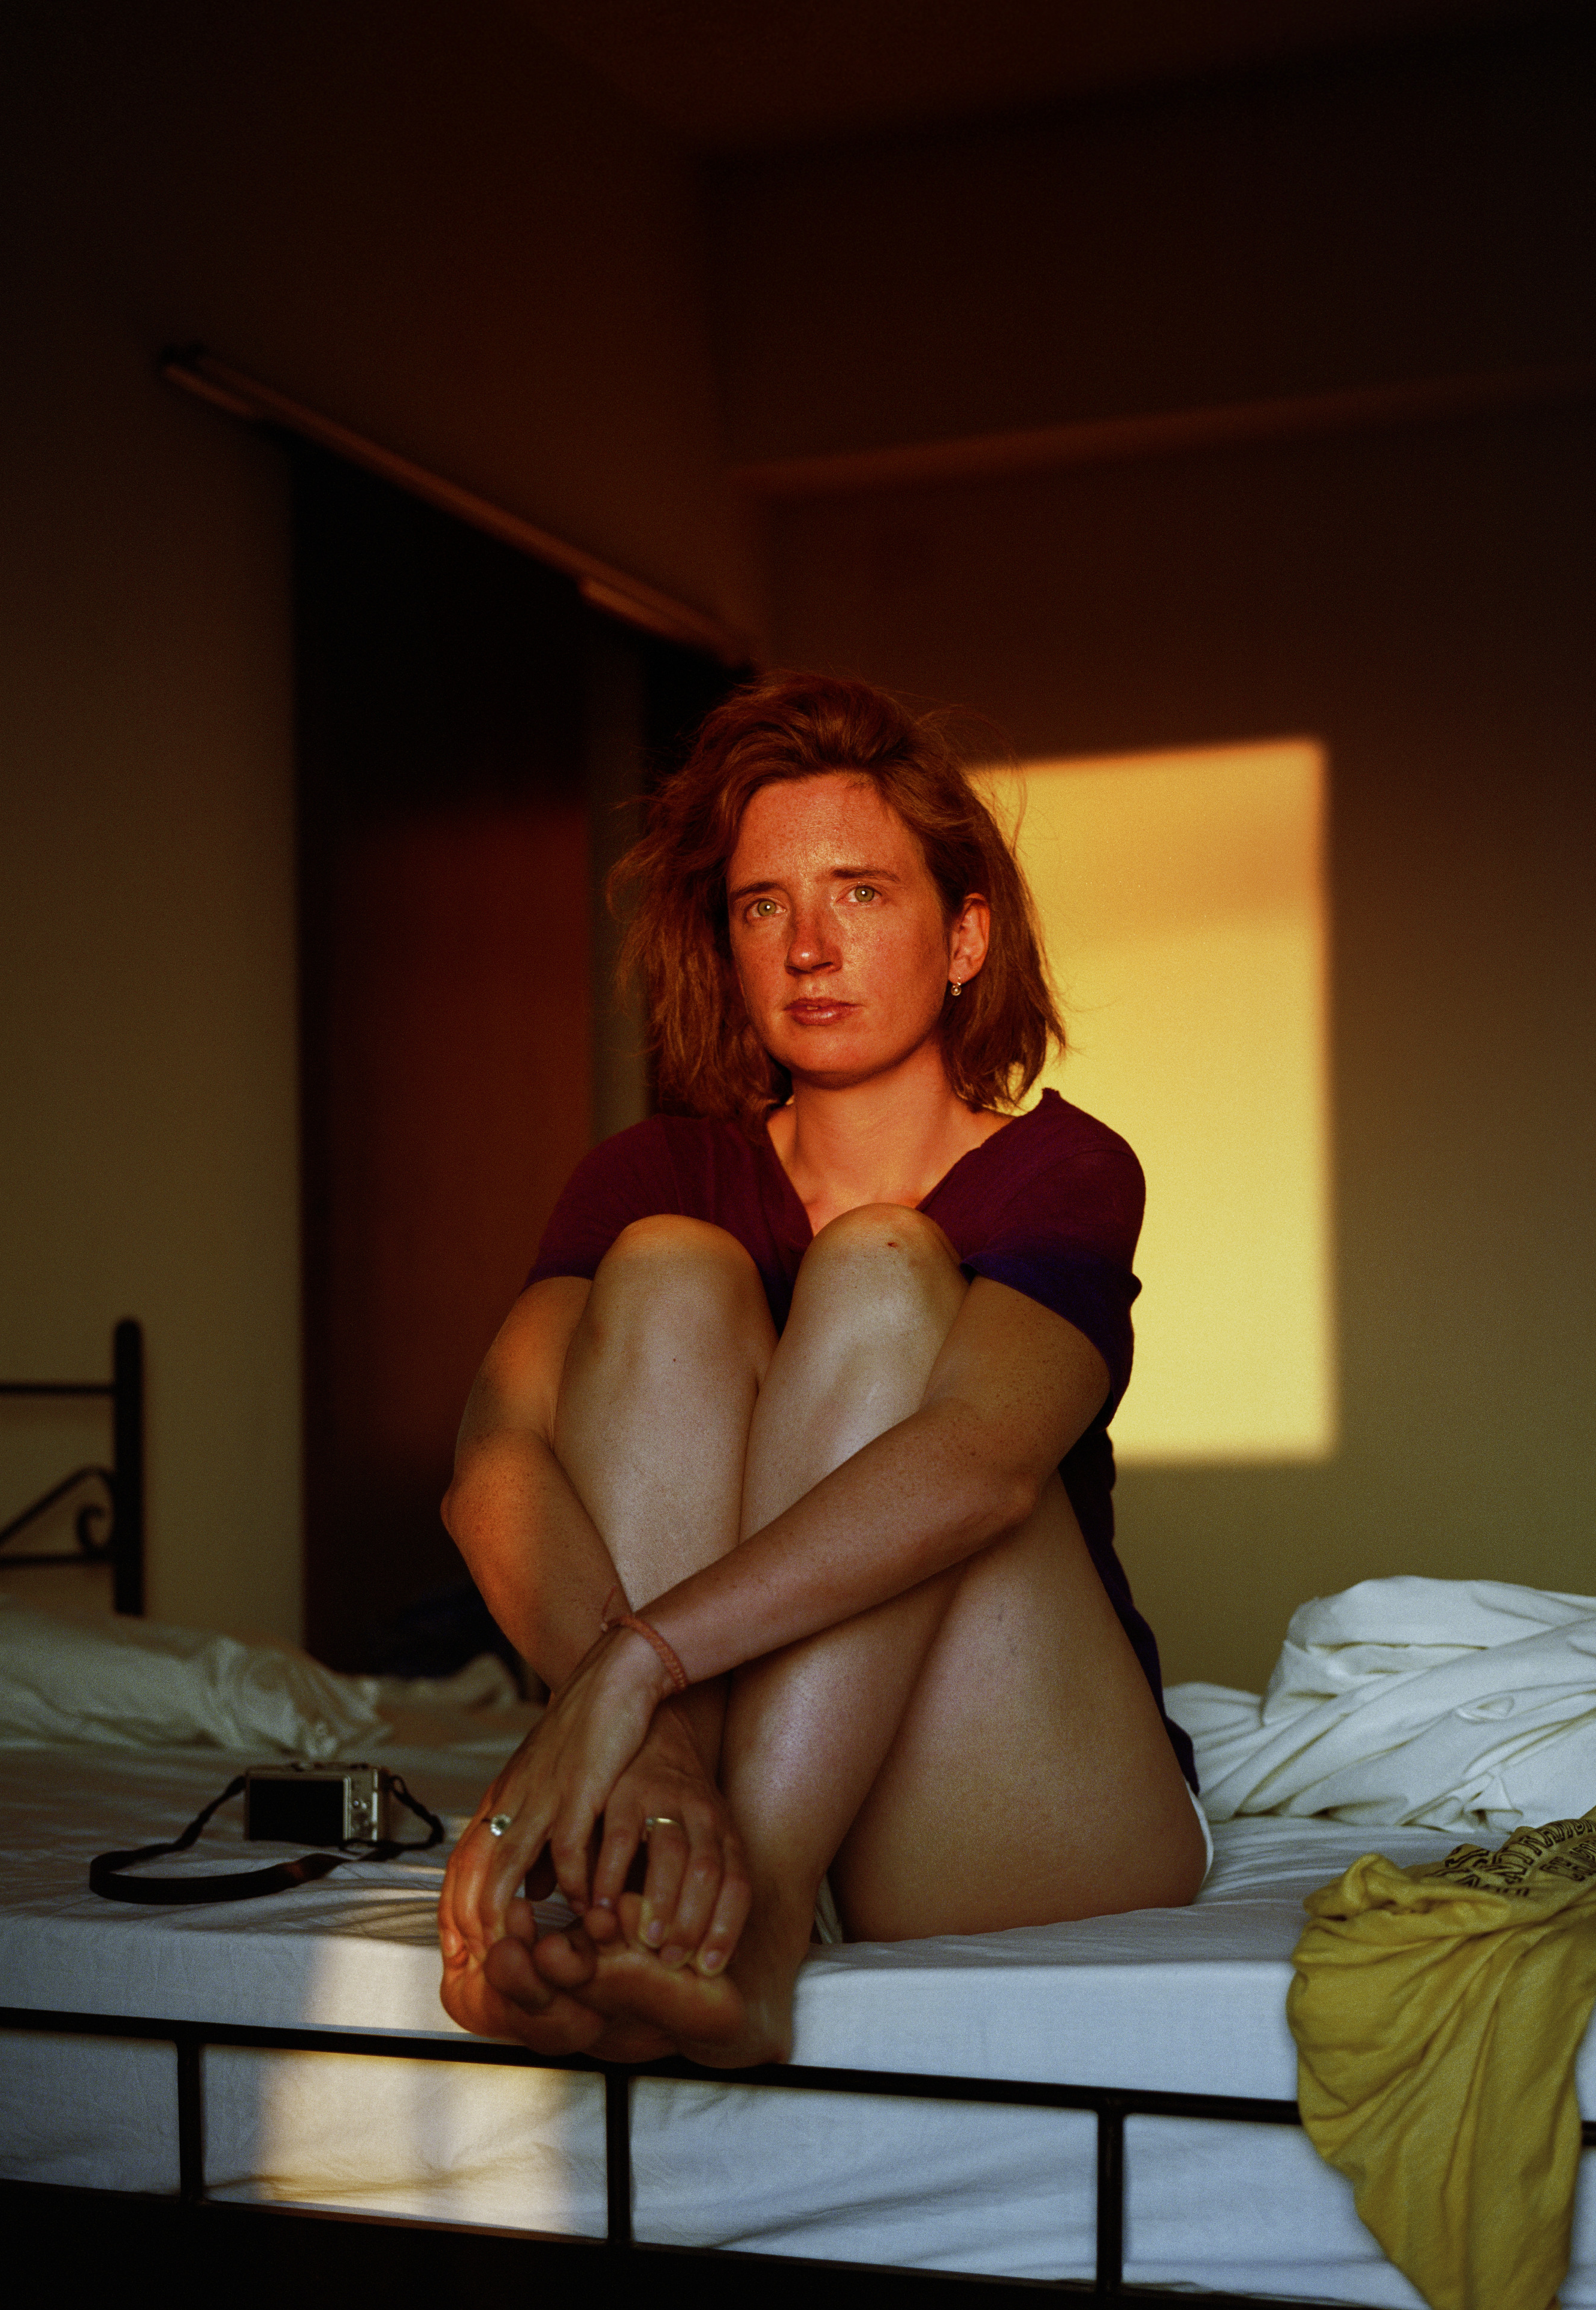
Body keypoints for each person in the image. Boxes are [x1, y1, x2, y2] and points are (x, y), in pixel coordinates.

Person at [436, 673, 1207, 2067]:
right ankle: (670, 1870)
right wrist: (656, 1739)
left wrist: (632, 1671)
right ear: (726, 948)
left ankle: (765, 1927)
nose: (808, 946)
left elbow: (979, 1467)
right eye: (760, 906)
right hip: (705, 1779)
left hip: (1005, 1799)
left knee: (880, 1266)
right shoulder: (654, 1174)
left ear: (964, 934)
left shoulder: (1059, 1169)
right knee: (668, 1264)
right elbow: (492, 1459)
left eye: (859, 892)